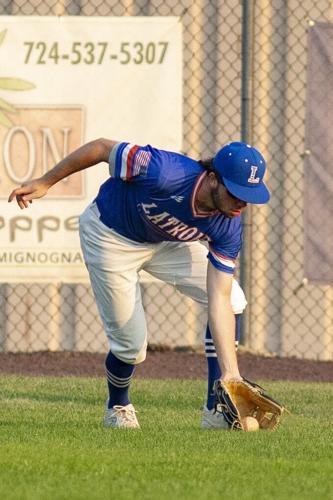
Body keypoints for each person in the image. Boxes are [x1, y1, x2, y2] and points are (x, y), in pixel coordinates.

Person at [8, 139, 270, 429]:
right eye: (235, 193)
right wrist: (46, 182)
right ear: (212, 179)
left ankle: (215, 410)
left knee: (232, 298)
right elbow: (100, 149)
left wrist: (231, 373)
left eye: (248, 197)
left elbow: (218, 297)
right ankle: (118, 404)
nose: (241, 204)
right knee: (131, 346)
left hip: (163, 242)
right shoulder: (165, 171)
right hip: (110, 236)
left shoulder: (229, 225)